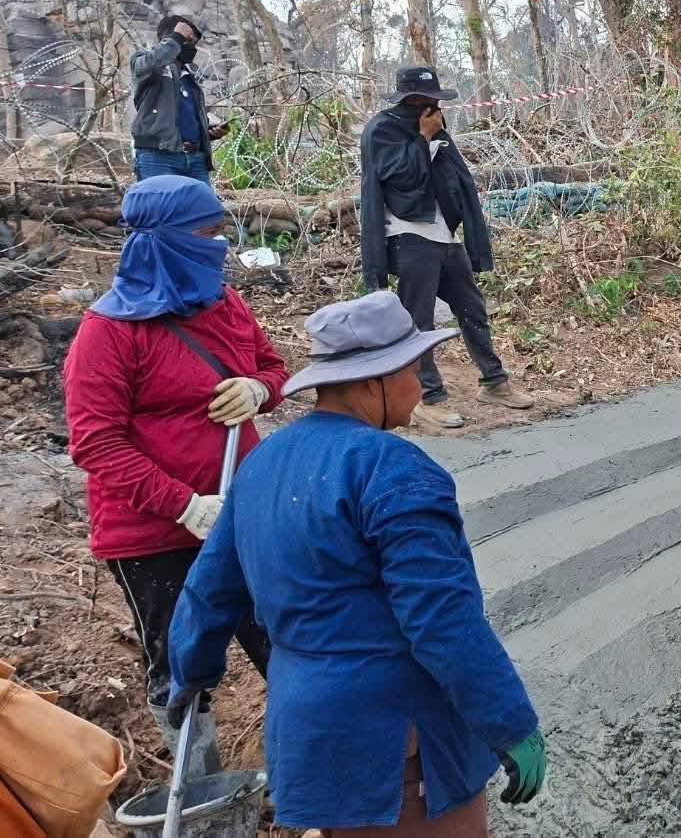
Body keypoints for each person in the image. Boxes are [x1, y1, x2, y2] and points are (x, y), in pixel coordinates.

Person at [167, 290, 546, 835]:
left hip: (310, 732)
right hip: (395, 740)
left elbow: (210, 589)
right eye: (414, 371)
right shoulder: (394, 471)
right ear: (374, 382)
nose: (421, 387)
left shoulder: (263, 462)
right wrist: (511, 723)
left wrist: (191, 671)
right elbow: (441, 621)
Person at [62, 175, 283, 774]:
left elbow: (273, 365)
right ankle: (202, 791)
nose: (220, 247)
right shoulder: (107, 333)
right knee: (179, 662)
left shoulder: (226, 303)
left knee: (280, 638)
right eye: (206, 233)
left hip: (242, 516)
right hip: (151, 538)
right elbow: (96, 442)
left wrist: (260, 388)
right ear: (165, 240)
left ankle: (305, 768)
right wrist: (185, 505)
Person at [360, 66, 532, 429]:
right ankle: (428, 397)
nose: (432, 107)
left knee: (472, 308)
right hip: (408, 235)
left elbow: (455, 180)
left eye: (435, 101)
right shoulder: (382, 129)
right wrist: (422, 139)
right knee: (418, 322)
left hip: (443, 235)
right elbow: (400, 178)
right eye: (425, 101)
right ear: (409, 100)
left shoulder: (436, 128)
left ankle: (494, 381)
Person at [130, 14, 228, 183]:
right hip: (158, 158)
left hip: (195, 160)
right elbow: (147, 65)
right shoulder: (146, 64)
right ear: (170, 38)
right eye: (188, 41)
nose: (192, 48)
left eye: (194, 44)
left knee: (204, 209)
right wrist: (176, 37)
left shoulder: (189, 78)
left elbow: (179, 121)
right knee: (163, 209)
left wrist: (208, 132)